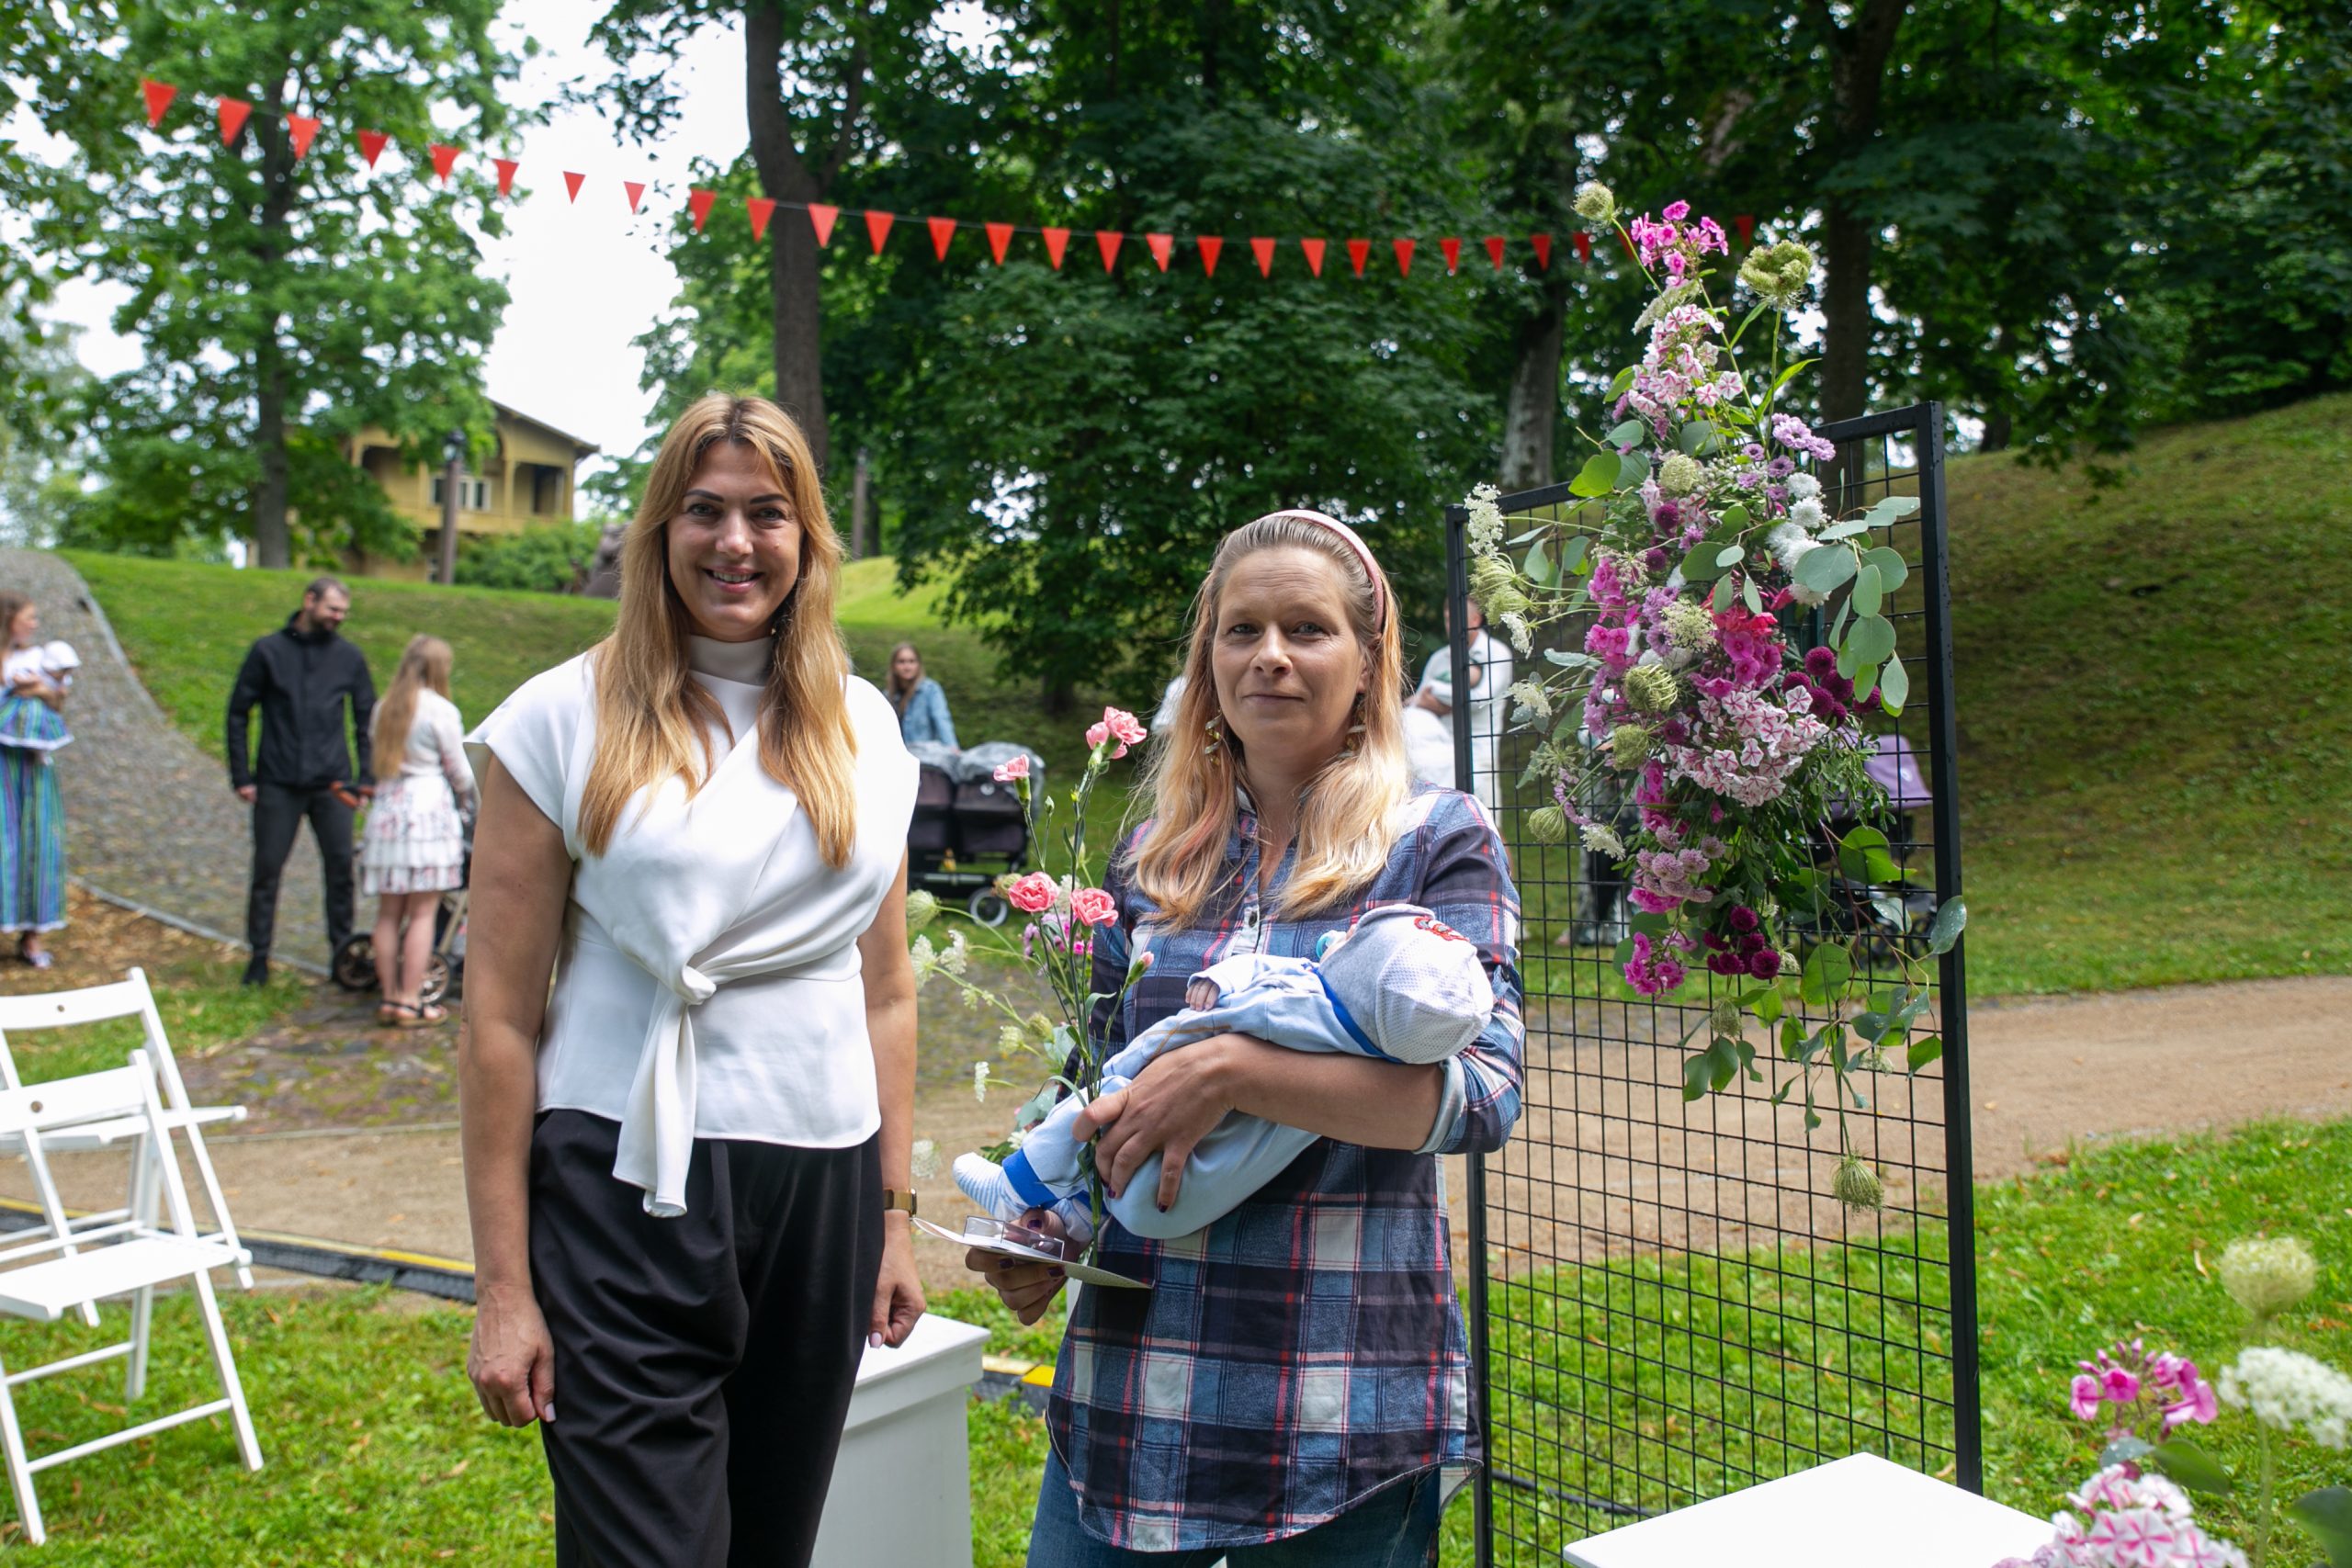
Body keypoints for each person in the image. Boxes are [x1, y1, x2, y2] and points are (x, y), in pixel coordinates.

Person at [967, 508, 1525, 1565]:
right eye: (1242, 631)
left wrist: (1235, 1072)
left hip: (1339, 1394)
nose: (1269, 655)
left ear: (1368, 662)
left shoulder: (1433, 838)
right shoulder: (1153, 857)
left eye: (1306, 629)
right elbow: (1088, 1082)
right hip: (1138, 1385)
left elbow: (1484, 1093)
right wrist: (1041, 1232)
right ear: (1209, 660)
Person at [458, 393, 925, 1568]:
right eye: (704, 511)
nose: (735, 542)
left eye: (768, 514)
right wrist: (504, 1288)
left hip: (821, 1184)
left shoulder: (866, 728)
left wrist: (893, 1220)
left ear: (807, 537)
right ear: (659, 529)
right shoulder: (557, 718)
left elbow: (885, 989)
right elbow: (499, 1020)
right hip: (621, 1176)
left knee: (771, 1545)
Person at [953, 902, 1494, 1241]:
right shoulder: (1372, 1044)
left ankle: (1014, 1184)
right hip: (1178, 1205)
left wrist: (1217, 1069)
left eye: (1355, 941)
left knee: (1090, 1109)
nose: (1342, 937)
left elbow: (1489, 1102)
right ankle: (1069, 1222)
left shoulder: (1298, 1006)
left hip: (1171, 1223)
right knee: (1120, 1157)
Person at [226, 576, 376, 986]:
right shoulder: (268, 651)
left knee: (341, 870)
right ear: (309, 601)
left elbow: (366, 718)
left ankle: (342, 957)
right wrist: (242, 775)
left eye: (343, 612)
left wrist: (366, 778)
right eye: (332, 609)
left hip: (333, 784)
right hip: (278, 782)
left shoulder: (349, 657)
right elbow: (238, 712)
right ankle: (259, 958)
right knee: (267, 870)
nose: (338, 617)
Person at [359, 636, 475, 1027]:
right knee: (423, 913)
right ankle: (411, 999)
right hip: (427, 815)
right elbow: (460, 772)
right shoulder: (440, 710)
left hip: (387, 811)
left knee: (388, 913)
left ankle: (389, 995)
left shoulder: (384, 707)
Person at [0, 594, 70, 968]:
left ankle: (32, 936)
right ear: (8, 619)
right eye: (29, 617)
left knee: (37, 840)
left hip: (33, 765)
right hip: (1, 766)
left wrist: (41, 691)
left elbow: (58, 704)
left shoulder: (40, 658)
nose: (34, 624)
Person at [1405, 598, 1513, 813]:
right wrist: (1448, 700)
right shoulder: (1438, 658)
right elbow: (1419, 702)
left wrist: (1437, 694)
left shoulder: (1496, 653)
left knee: (1486, 819)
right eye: (1447, 619)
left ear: (1475, 619)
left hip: (1480, 751)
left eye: (1456, 619)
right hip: (1436, 756)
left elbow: (1481, 700)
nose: (1450, 625)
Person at [886, 642, 958, 749]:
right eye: (901, 662)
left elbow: (941, 718)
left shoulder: (930, 690)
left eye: (912, 661)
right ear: (893, 666)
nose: (907, 667)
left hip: (926, 754)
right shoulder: (887, 696)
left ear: (918, 665)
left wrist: (952, 746)